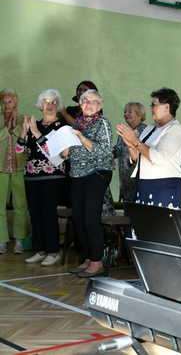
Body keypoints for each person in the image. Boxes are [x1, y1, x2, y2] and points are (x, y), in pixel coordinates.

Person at [17, 89, 68, 266]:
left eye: (54, 102)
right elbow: (20, 151)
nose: (50, 105)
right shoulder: (33, 124)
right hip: (31, 177)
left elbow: (56, 154)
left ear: (58, 105)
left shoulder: (62, 127)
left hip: (52, 177)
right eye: (46, 101)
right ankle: (40, 250)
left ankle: (53, 252)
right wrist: (24, 132)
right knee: (35, 215)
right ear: (40, 105)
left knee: (48, 214)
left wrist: (37, 134)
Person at [65, 90, 113, 278]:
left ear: (99, 106)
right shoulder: (76, 124)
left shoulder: (103, 124)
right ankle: (87, 258)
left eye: (93, 101)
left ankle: (97, 261)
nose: (88, 104)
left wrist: (82, 138)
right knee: (78, 218)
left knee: (91, 219)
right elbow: (68, 153)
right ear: (80, 105)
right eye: (85, 101)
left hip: (96, 173)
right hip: (76, 174)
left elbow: (105, 152)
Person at [117, 89, 181, 208]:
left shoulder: (175, 130)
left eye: (154, 105)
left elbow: (158, 157)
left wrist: (135, 141)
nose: (151, 108)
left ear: (167, 107)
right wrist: (129, 144)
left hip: (163, 187)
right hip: (144, 184)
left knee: (159, 225)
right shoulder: (150, 128)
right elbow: (137, 158)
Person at [0, 89, 28, 254]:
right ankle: (2, 241)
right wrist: (6, 128)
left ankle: (19, 240)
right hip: (1, 169)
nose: (6, 104)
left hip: (19, 168)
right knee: (0, 206)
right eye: (4, 102)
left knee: (20, 205)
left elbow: (25, 139)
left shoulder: (23, 119)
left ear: (15, 102)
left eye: (10, 101)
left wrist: (15, 127)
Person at [113, 102, 147, 202]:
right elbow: (118, 149)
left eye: (129, 112)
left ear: (139, 114)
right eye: (125, 112)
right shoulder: (124, 131)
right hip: (125, 177)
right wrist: (108, 156)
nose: (126, 114)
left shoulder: (146, 131)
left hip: (139, 178)